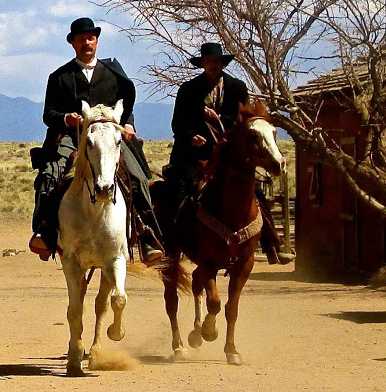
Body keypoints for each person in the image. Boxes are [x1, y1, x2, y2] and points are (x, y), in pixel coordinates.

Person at [29, 17, 164, 266]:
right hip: (73, 136)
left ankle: (146, 234)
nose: (86, 43)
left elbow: (126, 107)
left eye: (90, 38)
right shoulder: (60, 77)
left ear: (97, 41)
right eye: (81, 39)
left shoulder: (113, 74)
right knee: (53, 172)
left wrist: (129, 125)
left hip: (111, 135)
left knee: (137, 176)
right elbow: (48, 114)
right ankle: (45, 230)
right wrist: (66, 119)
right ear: (73, 44)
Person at [165, 42, 294, 264]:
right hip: (193, 154)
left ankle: (272, 241)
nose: (213, 65)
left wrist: (219, 120)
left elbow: (245, 122)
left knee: (255, 193)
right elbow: (178, 123)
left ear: (222, 63)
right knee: (176, 192)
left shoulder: (237, 87)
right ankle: (169, 241)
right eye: (209, 62)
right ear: (202, 64)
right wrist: (190, 137)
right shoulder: (187, 90)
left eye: (217, 61)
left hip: (228, 154)